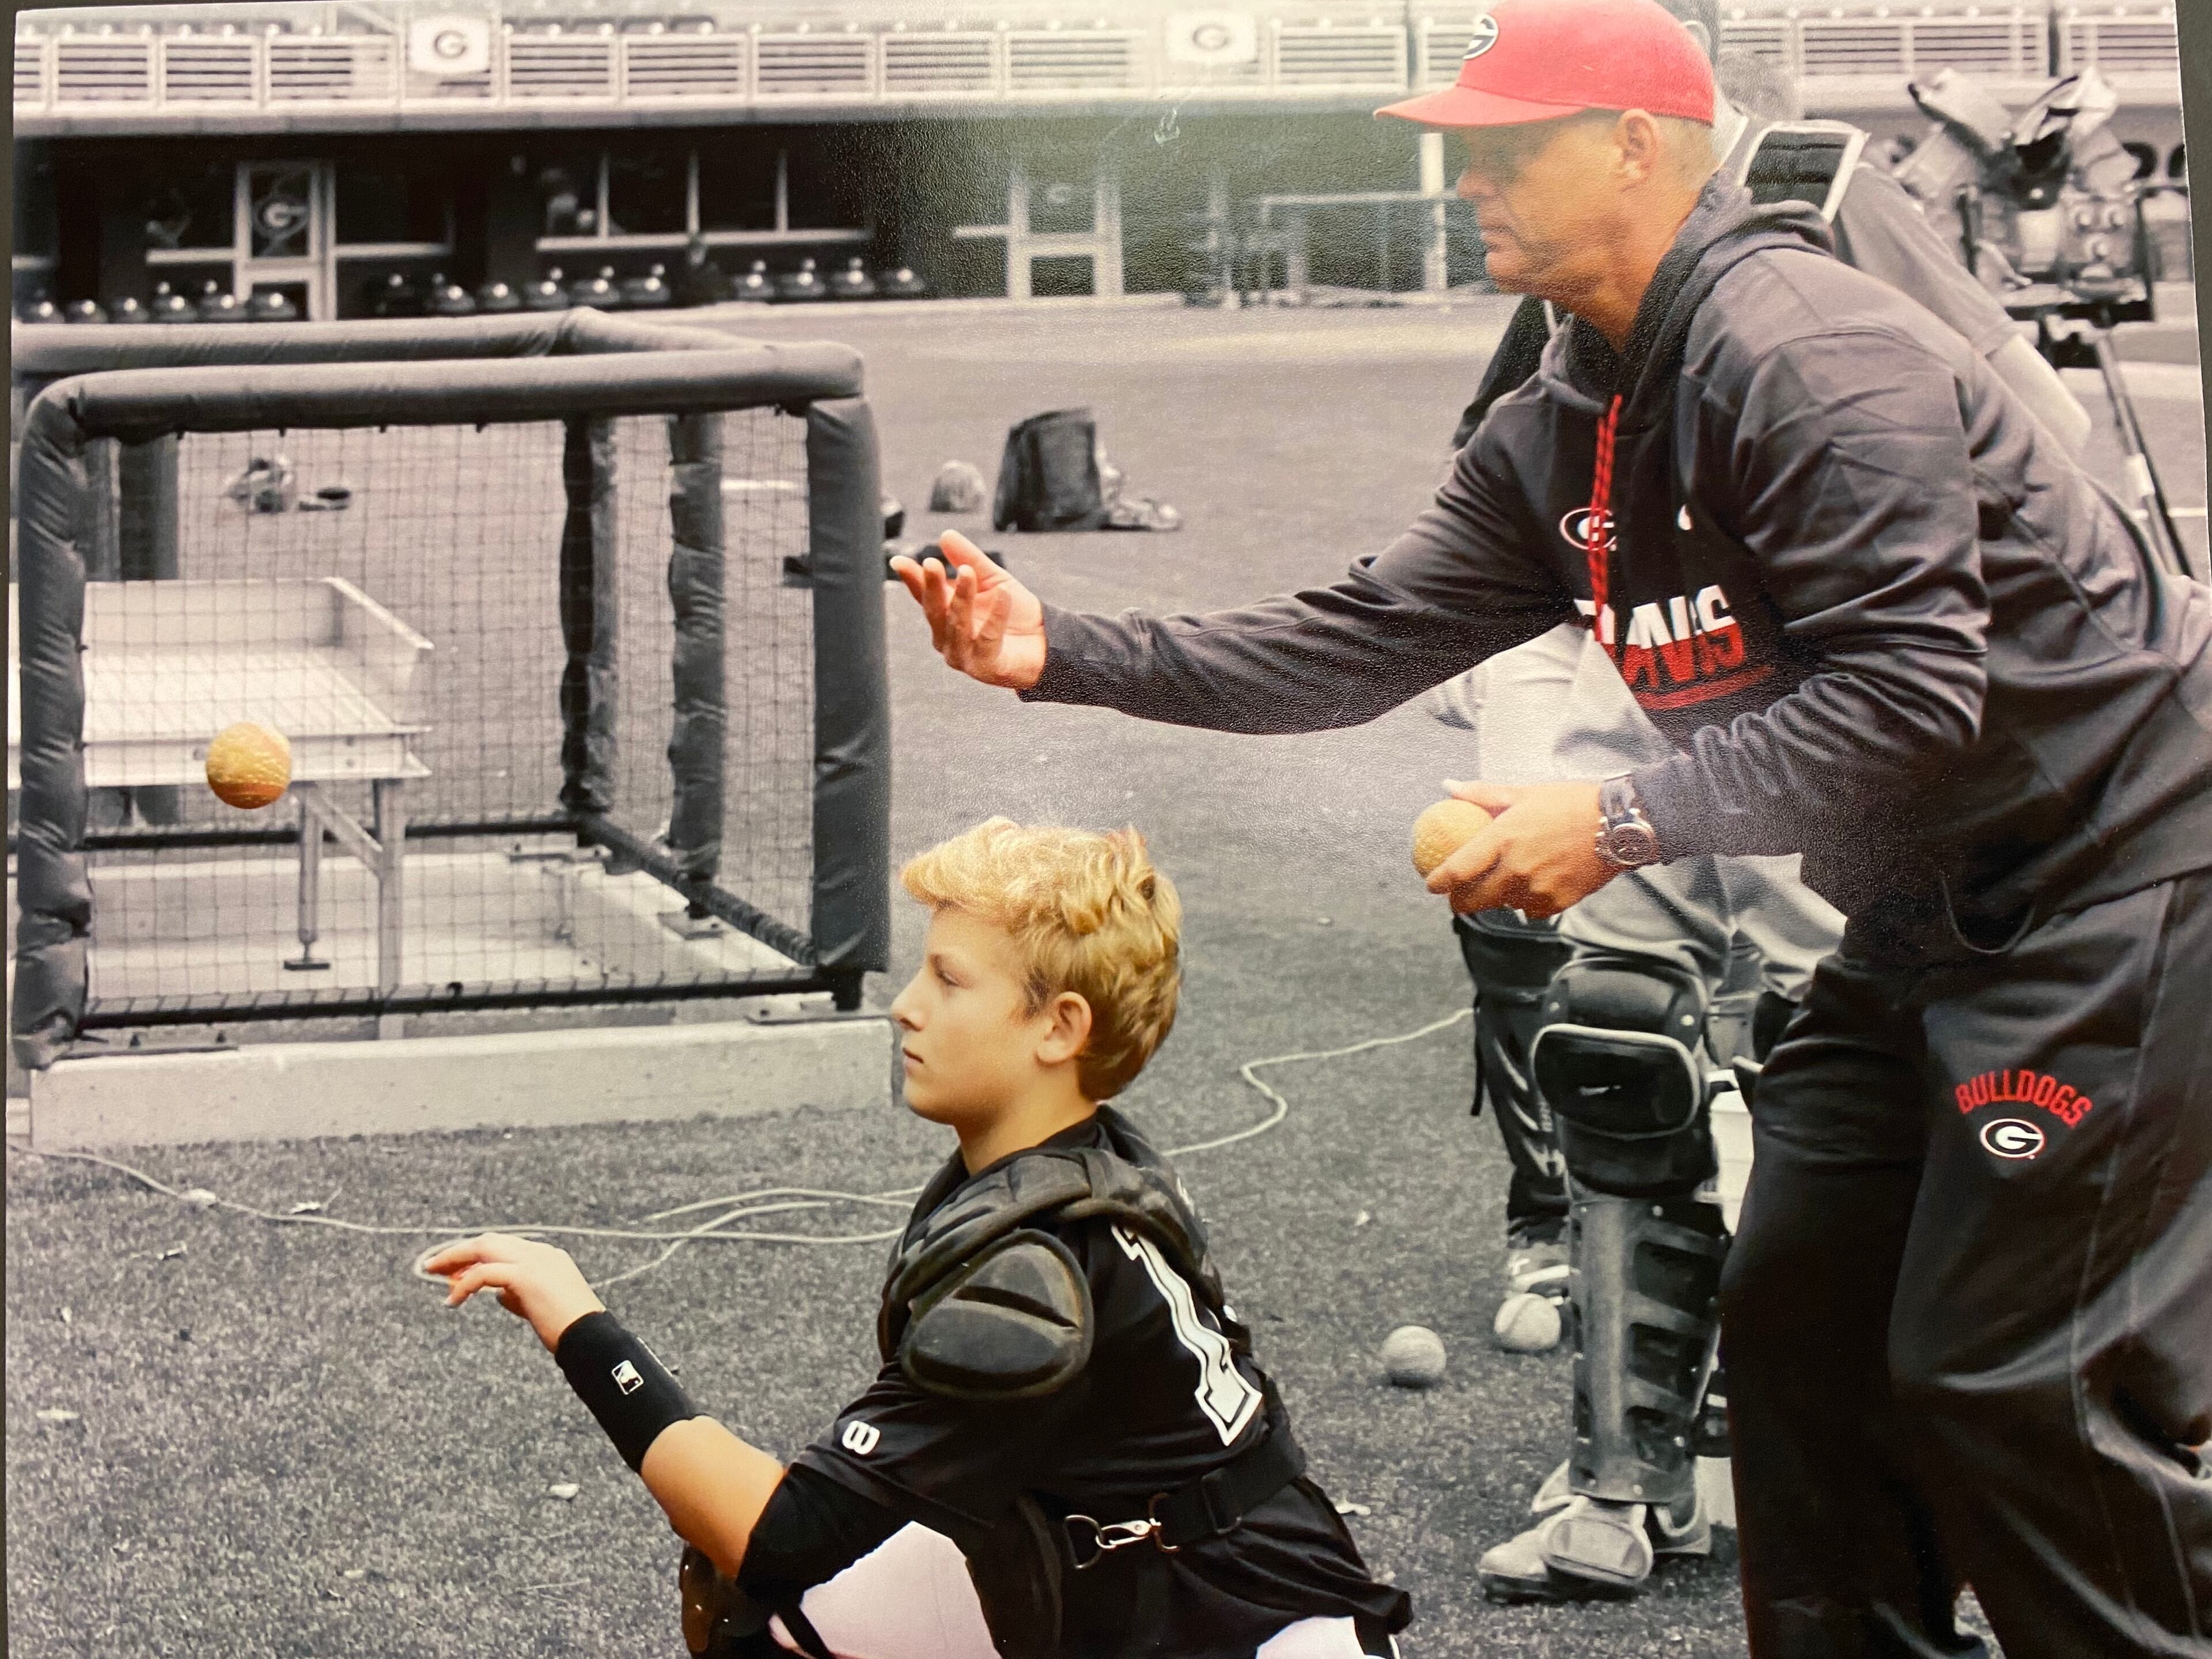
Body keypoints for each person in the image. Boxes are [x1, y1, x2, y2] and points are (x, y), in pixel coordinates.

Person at [887, 0, 2212, 1652]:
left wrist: (1627, 816)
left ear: (1642, 146)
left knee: (2019, 1373)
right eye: (1464, 152)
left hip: (2119, 884)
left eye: (1510, 148)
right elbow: (1358, 638)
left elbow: (1910, 702)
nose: (1470, 184)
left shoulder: (1802, 354)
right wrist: (1061, 648)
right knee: (1798, 1323)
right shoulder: (1568, 414)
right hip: (1927, 907)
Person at [1420, 0, 2097, 1604]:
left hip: (1839, 682)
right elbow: (1508, 475)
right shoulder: (1592, 240)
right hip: (1659, 667)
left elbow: (2041, 437)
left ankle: (1905, 1453)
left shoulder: (1823, 190)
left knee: (1848, 1056)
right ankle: (1625, 1472)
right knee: (1615, 1032)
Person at [429, 819, 1411, 1659]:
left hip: (1253, 1629)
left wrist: (577, 1321)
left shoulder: (1035, 1278)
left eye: (949, 979)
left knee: (767, 1573)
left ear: (1059, 1028)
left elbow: (779, 1533)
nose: (908, 1003)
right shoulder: (1064, 1165)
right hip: (1130, 1576)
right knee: (774, 1625)